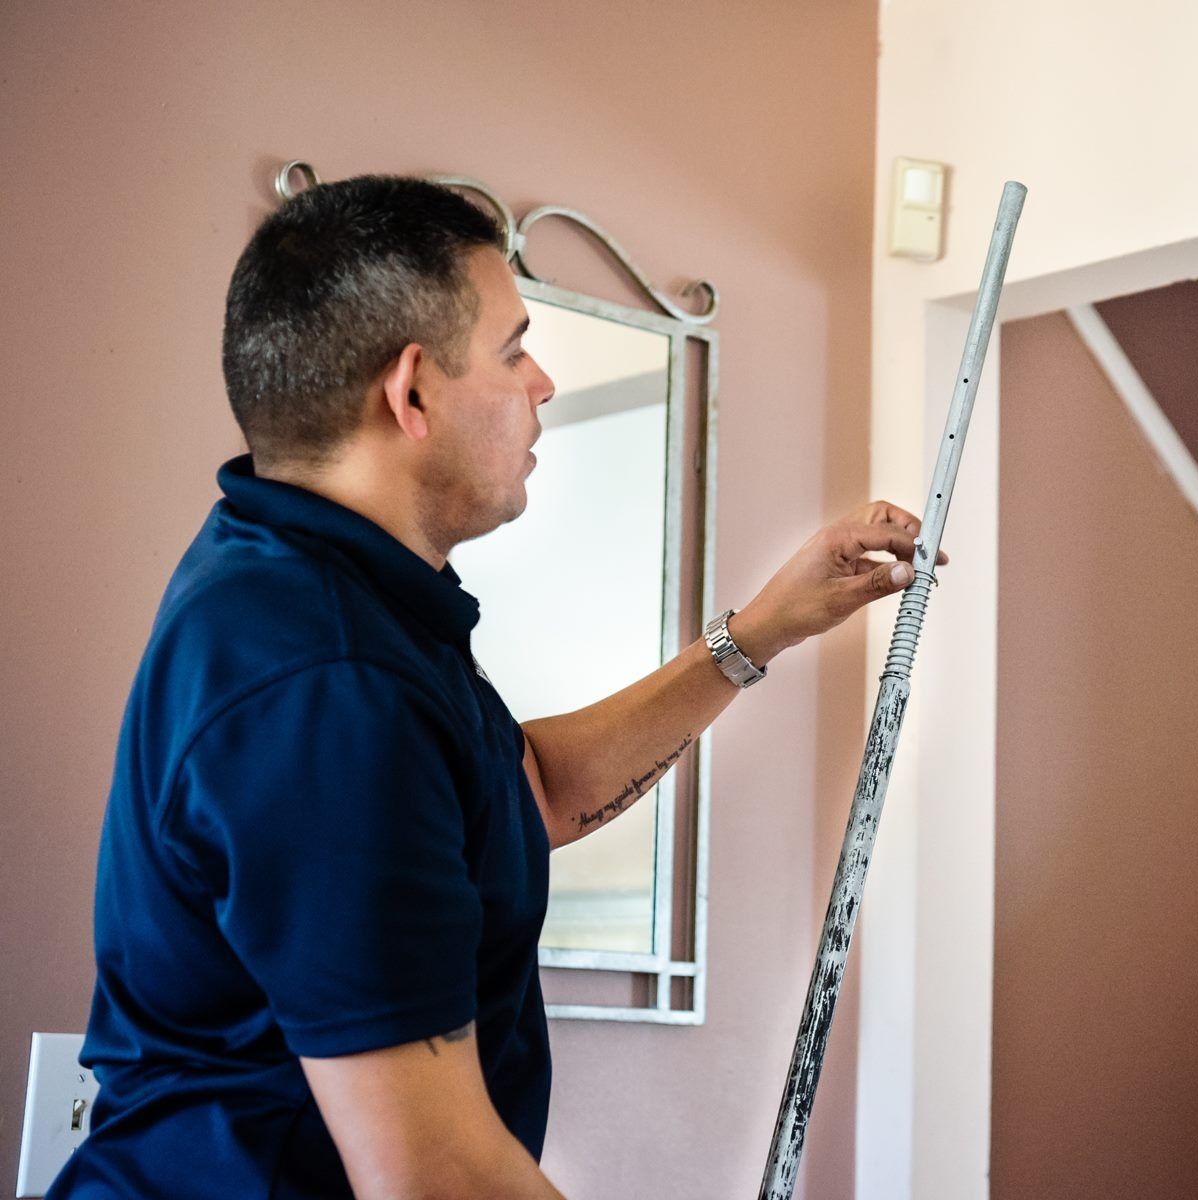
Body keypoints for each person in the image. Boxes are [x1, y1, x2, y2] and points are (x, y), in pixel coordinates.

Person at [48, 175, 944, 1200]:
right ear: (412, 391)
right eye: (515, 349)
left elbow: (533, 795)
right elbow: (435, 1176)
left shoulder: (326, 589)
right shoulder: (325, 685)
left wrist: (761, 632)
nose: (544, 382)